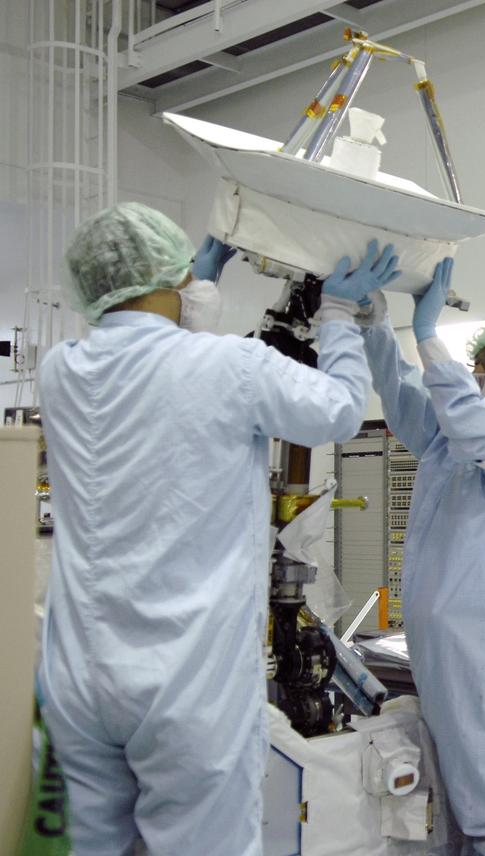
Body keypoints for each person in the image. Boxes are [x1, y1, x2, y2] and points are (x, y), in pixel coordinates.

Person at [37, 202, 378, 854]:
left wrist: (196, 287)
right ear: (171, 277)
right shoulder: (233, 368)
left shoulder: (61, 371)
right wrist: (337, 319)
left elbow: (153, 361)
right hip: (187, 683)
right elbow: (335, 412)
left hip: (79, 680)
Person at [357, 256, 485, 856]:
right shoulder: (450, 441)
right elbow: (400, 395)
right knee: (453, 806)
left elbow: (479, 433)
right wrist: (375, 322)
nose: (479, 372)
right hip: (440, 644)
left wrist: (427, 336)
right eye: (476, 362)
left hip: (482, 651)